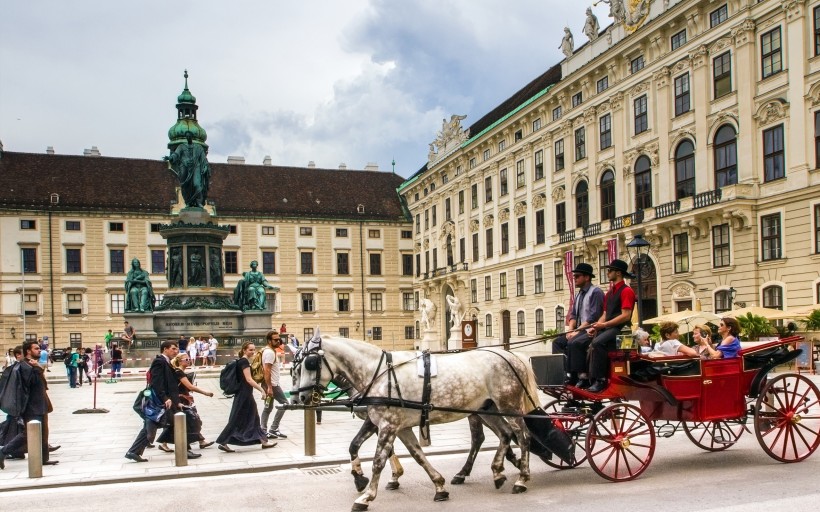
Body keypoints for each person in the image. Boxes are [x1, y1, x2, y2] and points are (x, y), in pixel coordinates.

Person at [0, 341, 56, 469]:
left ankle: (44, 459)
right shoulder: (25, 366)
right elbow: (29, 385)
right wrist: (37, 368)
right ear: (28, 351)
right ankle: (3, 451)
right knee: (28, 433)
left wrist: (38, 368)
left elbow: (43, 385)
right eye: (36, 348)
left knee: (43, 433)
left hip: (40, 404)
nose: (39, 350)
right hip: (32, 406)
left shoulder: (31, 365)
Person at [583, 259, 636, 393]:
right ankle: (585, 377)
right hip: (610, 328)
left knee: (598, 343)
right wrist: (596, 326)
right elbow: (605, 314)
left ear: (618, 273)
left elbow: (626, 316)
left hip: (622, 330)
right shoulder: (610, 292)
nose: (607, 273)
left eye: (610, 270)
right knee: (586, 342)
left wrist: (604, 325)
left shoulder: (626, 291)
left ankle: (600, 379)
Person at [125, 340, 181, 463]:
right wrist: (165, 398)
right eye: (173, 349)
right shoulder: (159, 362)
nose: (176, 351)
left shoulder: (166, 362)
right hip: (160, 401)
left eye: (176, 349)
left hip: (165, 400)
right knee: (166, 424)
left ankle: (134, 451)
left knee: (155, 425)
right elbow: (157, 382)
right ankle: (183, 449)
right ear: (165, 349)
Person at [216, 341, 277, 452]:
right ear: (244, 350)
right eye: (250, 350)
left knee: (250, 418)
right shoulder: (244, 362)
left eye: (254, 349)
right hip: (245, 395)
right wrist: (261, 390)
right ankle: (223, 441)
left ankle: (263, 441)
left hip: (243, 394)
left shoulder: (241, 361)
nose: (253, 352)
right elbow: (249, 379)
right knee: (238, 419)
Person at [552, 263, 605, 386]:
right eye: (574, 276)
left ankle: (582, 376)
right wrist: (571, 330)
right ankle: (566, 372)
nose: (574, 278)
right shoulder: (579, 294)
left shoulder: (596, 292)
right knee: (557, 342)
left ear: (587, 277)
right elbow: (573, 315)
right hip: (579, 330)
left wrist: (577, 331)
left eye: (577, 276)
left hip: (591, 329)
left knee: (574, 342)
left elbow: (594, 316)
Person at [156, 353, 214, 455]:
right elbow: (190, 387)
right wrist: (206, 393)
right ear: (180, 361)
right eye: (186, 359)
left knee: (187, 421)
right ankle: (189, 444)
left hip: (182, 399)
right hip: (180, 400)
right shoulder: (179, 372)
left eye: (188, 359)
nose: (188, 360)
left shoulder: (179, 371)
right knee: (189, 421)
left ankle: (199, 441)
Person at [166, 131, 212, 208]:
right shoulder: (181, 147)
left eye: (189, 136)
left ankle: (198, 202)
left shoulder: (198, 147)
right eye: (187, 136)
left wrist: (205, 166)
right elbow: (176, 154)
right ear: (186, 138)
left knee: (197, 185)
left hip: (196, 167)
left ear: (191, 137)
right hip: (185, 168)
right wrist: (170, 157)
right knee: (186, 186)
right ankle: (188, 202)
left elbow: (204, 159)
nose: (188, 138)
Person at [260, 331, 289, 439]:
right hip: (272, 385)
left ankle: (263, 430)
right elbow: (267, 370)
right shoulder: (270, 353)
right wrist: (270, 387)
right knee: (284, 403)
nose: (278, 341)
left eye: (279, 339)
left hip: (269, 384)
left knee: (268, 407)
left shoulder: (268, 351)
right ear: (269, 341)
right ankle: (273, 429)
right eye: (275, 340)